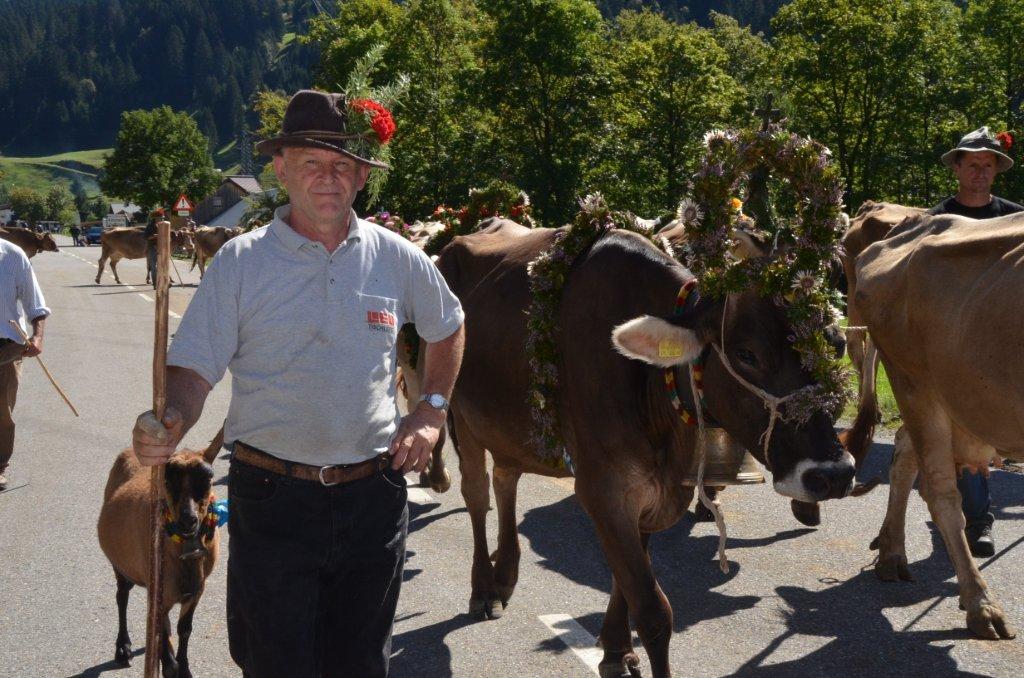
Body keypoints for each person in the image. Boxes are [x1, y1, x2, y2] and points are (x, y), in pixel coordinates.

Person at [131, 88, 465, 677]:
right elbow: (193, 369)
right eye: (311, 162)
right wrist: (173, 418)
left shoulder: (396, 256)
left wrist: (431, 411)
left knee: (361, 665)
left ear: (362, 176)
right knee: (275, 665)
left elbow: (449, 325)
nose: (327, 178)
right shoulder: (241, 263)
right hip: (272, 499)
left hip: (373, 497)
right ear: (281, 169)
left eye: (342, 164)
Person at [928, 125, 1022, 557]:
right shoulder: (936, 222)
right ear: (958, 168)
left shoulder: (1015, 221)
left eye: (988, 165)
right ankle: (976, 521)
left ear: (996, 170)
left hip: (1004, 340)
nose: (980, 171)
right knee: (965, 429)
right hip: (950, 339)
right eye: (973, 164)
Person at [0, 238, 49, 489]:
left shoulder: (12, 255)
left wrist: (37, 337)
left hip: (6, 348)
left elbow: (35, 304)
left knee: (1, 412)